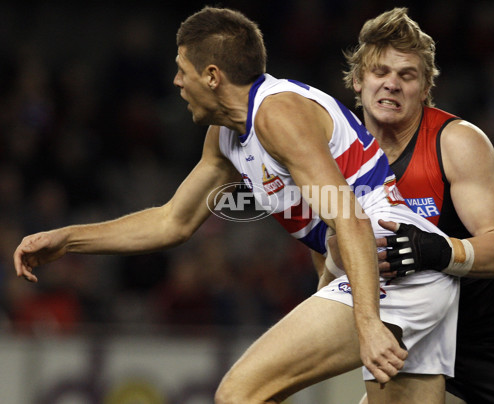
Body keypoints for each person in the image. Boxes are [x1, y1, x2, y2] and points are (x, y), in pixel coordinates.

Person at [13, 7, 460, 404]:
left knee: (238, 394)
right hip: (394, 272)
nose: (175, 82)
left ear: (211, 75)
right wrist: (67, 239)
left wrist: (367, 322)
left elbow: (348, 216)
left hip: (394, 267)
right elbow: (172, 221)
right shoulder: (226, 136)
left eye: (181, 69)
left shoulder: (277, 114)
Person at [331, 7, 494, 404]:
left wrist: (437, 250)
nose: (391, 84)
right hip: (418, 332)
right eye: (380, 72)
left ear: (425, 87)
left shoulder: (457, 142)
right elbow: (332, 249)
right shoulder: (337, 155)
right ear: (358, 80)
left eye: (406, 75)